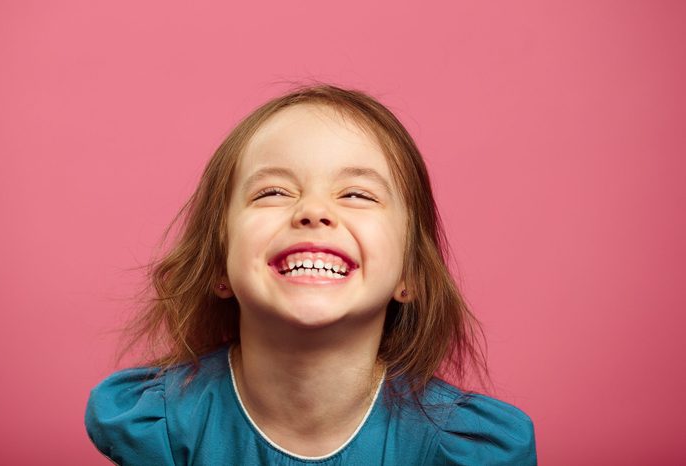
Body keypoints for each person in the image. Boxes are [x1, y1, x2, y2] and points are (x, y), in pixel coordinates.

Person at [85, 84, 537, 465]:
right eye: (274, 191)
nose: (314, 211)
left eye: (357, 194)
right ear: (218, 265)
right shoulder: (165, 425)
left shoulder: (455, 446)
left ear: (411, 275)